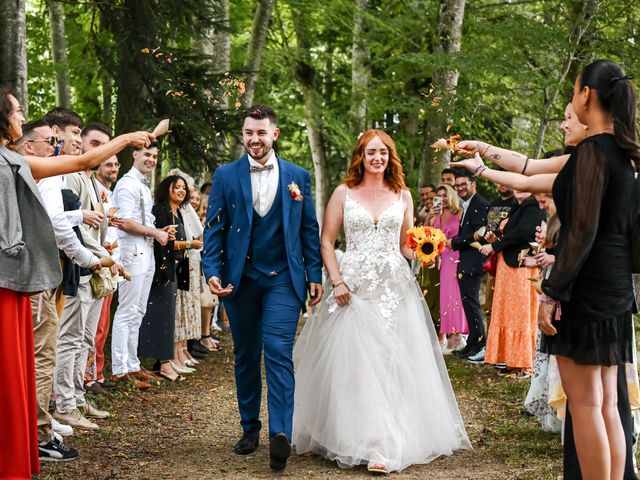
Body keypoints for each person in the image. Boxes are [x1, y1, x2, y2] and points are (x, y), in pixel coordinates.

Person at [453, 60, 639, 480]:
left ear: (586, 95)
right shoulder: (621, 154)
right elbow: (529, 168)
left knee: (587, 404)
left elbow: (582, 230)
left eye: (574, 91)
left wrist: (552, 293)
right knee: (608, 402)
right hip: (614, 288)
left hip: (588, 289)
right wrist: (483, 153)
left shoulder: (592, 152)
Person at [292, 129, 471, 474]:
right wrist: (337, 280)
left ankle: (382, 443)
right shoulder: (344, 193)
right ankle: (344, 434)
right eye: (371, 152)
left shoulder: (402, 194)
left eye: (384, 153)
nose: (378, 158)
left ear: (390, 157)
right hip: (353, 287)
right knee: (353, 363)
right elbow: (327, 242)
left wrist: (425, 250)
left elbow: (405, 245)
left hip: (393, 288)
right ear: (361, 155)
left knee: (389, 361)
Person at [0, 87, 152, 478]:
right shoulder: (15, 161)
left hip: (22, 277)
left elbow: (81, 161)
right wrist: (127, 139)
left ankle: (24, 442)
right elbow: (84, 158)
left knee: (23, 362)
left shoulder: (14, 159)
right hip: (11, 276)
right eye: (17, 111)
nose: (22, 117)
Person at [203, 105, 323, 472]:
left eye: (260, 132)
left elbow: (307, 229)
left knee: (277, 350)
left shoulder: (298, 177)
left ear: (275, 134)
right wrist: (211, 270)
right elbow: (214, 229)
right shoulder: (225, 176)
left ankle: (280, 436)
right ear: (244, 135)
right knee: (245, 353)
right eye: (248, 133)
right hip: (239, 279)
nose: (254, 139)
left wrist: (314, 272)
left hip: (284, 279)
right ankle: (250, 428)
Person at [110, 141, 172, 389]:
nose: (151, 159)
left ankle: (133, 364)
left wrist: (157, 231)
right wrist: (155, 233)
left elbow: (142, 221)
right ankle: (119, 368)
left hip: (145, 250)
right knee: (127, 309)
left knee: (138, 311)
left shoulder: (142, 185)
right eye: (147, 154)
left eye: (155, 156)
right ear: (134, 154)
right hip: (131, 251)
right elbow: (122, 221)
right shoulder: (126, 184)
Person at [478, 190, 545, 375]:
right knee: (508, 312)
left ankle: (523, 363)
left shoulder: (533, 205)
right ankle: (510, 359)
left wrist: (494, 246)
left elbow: (522, 233)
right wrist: (496, 240)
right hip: (507, 267)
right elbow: (511, 235)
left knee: (520, 314)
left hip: (521, 267)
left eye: (523, 185)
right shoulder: (518, 206)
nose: (518, 189)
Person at [138, 175, 189, 381]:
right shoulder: (161, 210)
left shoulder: (180, 212)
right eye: (177, 187)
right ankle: (162, 362)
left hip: (174, 269)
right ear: (167, 188)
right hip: (161, 270)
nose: (181, 191)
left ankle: (165, 360)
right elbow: (161, 241)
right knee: (159, 316)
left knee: (168, 316)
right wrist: (189, 246)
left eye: (183, 188)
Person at [450, 171, 488, 360]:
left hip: (474, 261)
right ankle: (473, 342)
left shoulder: (479, 204)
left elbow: (479, 233)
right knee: (468, 302)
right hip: (466, 260)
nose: (460, 188)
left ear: (473, 184)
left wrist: (454, 242)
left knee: (472, 302)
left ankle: (479, 343)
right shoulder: (468, 204)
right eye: (457, 186)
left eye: (463, 184)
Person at [431, 184, 467, 353]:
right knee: (446, 297)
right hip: (442, 259)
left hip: (457, 256)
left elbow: (465, 235)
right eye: (439, 196)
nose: (443, 199)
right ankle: (449, 335)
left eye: (445, 195)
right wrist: (430, 215)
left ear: (451, 196)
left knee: (456, 297)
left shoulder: (458, 213)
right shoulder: (436, 216)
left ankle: (457, 336)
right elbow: (427, 234)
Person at [481, 184, 516, 323]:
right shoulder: (493, 203)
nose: (502, 184)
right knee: (489, 305)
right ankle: (490, 343)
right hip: (494, 260)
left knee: (507, 307)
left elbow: (518, 234)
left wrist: (497, 242)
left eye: (507, 181)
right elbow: (486, 226)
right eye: (500, 181)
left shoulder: (517, 204)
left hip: (511, 261)